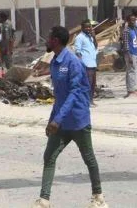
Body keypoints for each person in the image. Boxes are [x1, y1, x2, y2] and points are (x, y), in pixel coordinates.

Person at [31, 26, 107, 208]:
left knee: (88, 158)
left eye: (49, 37)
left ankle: (98, 197)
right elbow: (59, 95)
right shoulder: (55, 62)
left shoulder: (73, 62)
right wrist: (52, 119)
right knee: (49, 156)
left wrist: (58, 119)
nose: (47, 41)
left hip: (78, 119)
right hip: (61, 121)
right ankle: (44, 200)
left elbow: (74, 93)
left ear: (56, 40)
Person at [73, 20, 98, 107]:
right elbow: (77, 51)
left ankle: (90, 100)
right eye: (86, 27)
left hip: (93, 64)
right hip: (86, 64)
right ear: (82, 28)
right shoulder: (80, 37)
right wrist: (81, 64)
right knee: (87, 84)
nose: (88, 28)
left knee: (92, 84)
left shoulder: (90, 37)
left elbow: (95, 47)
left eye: (89, 27)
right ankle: (86, 102)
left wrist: (94, 37)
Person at [123, 13, 137, 98]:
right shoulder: (126, 31)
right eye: (132, 20)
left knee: (133, 71)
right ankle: (131, 90)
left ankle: (132, 89)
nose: (133, 22)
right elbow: (126, 45)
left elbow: (136, 43)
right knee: (131, 72)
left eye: (134, 20)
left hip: (134, 52)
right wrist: (129, 56)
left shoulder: (134, 29)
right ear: (128, 21)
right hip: (130, 53)